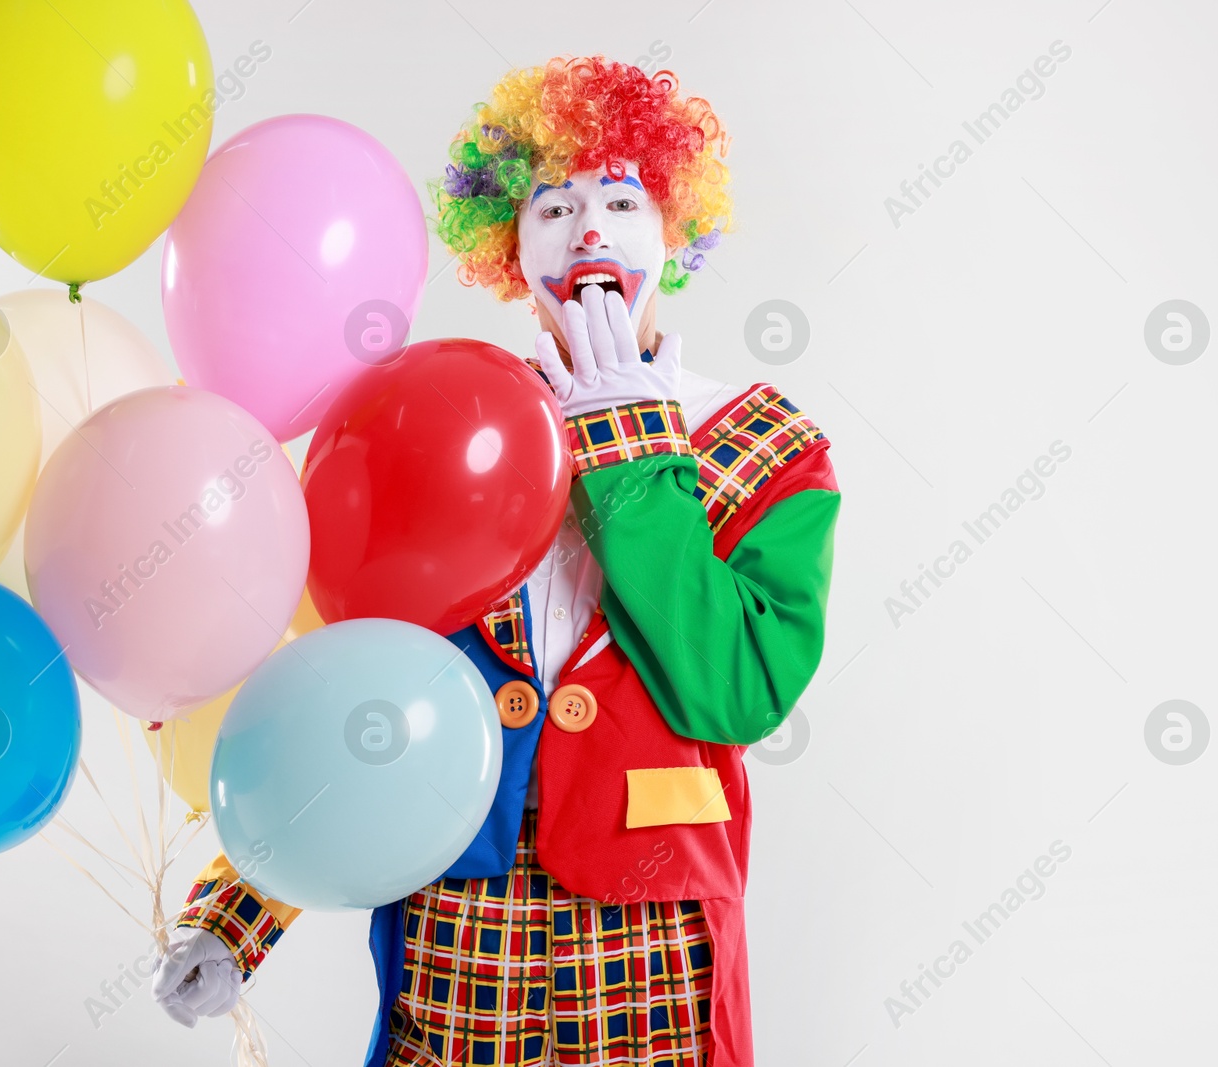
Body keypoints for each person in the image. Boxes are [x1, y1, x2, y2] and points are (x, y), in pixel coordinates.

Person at [151, 55, 840, 1067]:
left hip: (648, 945)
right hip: (457, 934)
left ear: (677, 229)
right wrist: (237, 910)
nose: (591, 230)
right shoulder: (437, 420)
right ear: (509, 247)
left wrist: (632, 445)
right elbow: (346, 696)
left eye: (622, 198)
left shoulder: (770, 441)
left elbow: (732, 691)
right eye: (553, 207)